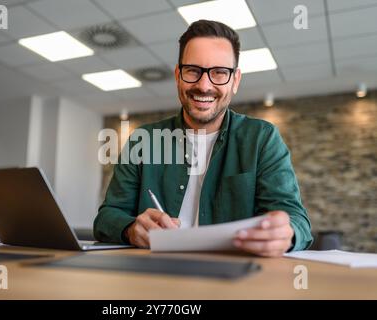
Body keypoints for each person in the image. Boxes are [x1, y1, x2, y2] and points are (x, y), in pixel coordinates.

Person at [94, 20, 312, 257]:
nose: (204, 85)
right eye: (193, 71)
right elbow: (107, 217)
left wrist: (285, 233)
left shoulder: (262, 138)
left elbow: (297, 221)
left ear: (235, 80)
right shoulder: (144, 140)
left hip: (234, 280)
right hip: (153, 276)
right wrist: (129, 229)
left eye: (219, 72)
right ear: (178, 75)